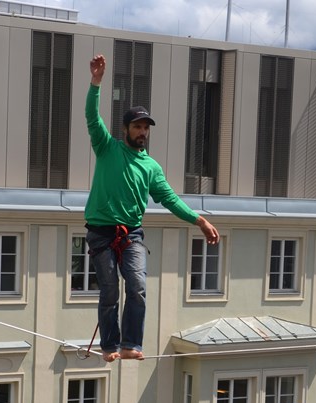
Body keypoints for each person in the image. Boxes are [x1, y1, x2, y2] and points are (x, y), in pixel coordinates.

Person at [85, 54, 219, 362]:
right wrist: (96, 83)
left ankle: (131, 344)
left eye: (146, 127)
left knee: (138, 286)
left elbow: (170, 199)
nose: (143, 132)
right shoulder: (108, 149)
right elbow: (93, 118)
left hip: (131, 235)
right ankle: (109, 346)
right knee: (109, 292)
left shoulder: (151, 168)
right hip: (101, 233)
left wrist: (199, 220)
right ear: (126, 130)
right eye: (137, 126)